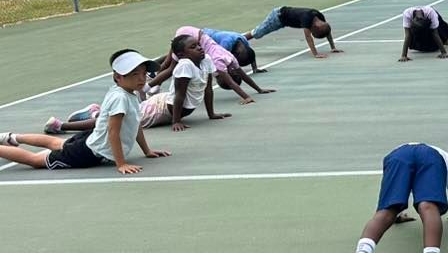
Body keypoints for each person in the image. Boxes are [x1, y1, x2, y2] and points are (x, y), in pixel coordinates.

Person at [0, 50, 171, 174]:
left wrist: (147, 151)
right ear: (118, 77)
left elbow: (135, 126)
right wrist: (121, 164)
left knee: (56, 143)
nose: (141, 79)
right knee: (35, 160)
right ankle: (9, 140)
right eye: (134, 74)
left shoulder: (129, 93)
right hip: (87, 153)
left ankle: (11, 137)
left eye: (143, 73)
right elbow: (113, 133)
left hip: (90, 140)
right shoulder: (121, 98)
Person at [174, 25, 271, 102]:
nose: (217, 76)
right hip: (190, 34)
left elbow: (243, 75)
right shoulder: (221, 60)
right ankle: (157, 83)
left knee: (171, 64)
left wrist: (259, 90)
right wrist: (247, 96)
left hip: (195, 35)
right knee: (170, 67)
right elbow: (233, 82)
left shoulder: (229, 58)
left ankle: (157, 82)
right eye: (219, 77)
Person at [154, 34, 230, 131]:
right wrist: (176, 121)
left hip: (172, 111)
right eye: (193, 47)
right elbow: (179, 94)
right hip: (159, 109)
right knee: (136, 119)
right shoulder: (185, 65)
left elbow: (208, 89)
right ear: (181, 55)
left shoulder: (206, 60)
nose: (199, 48)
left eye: (199, 45)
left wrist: (211, 114)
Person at [246, 6, 341, 60]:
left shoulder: (320, 18)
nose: (311, 32)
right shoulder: (307, 19)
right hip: (277, 17)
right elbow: (308, 37)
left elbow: (327, 32)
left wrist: (333, 47)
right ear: (314, 27)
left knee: (257, 34)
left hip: (283, 20)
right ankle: (237, 38)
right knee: (257, 34)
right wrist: (315, 54)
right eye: (313, 32)